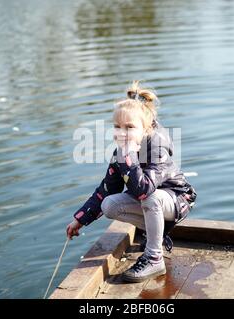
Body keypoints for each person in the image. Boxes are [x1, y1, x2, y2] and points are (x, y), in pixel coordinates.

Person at [66, 80, 197, 282]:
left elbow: (144, 189)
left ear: (145, 129)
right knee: (109, 205)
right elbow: (106, 190)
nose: (121, 132)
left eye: (129, 127)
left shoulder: (156, 147)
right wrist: (80, 220)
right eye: (117, 127)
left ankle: (154, 258)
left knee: (150, 198)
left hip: (177, 199)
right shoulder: (122, 151)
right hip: (151, 200)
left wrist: (128, 157)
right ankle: (156, 235)